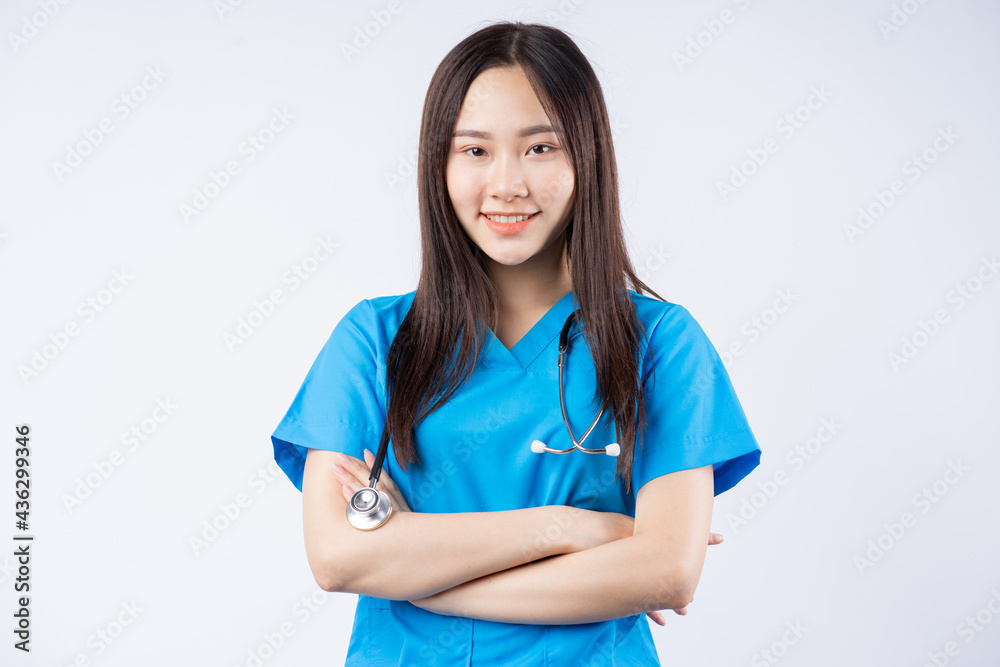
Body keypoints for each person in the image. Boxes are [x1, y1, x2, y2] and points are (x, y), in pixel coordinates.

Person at [271, 20, 762, 666]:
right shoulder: (374, 340)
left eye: (539, 148)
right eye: (474, 151)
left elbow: (668, 570)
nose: (507, 184)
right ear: (437, 165)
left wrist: (421, 572)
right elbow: (338, 557)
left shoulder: (663, 346)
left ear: (587, 156)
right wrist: (581, 529)